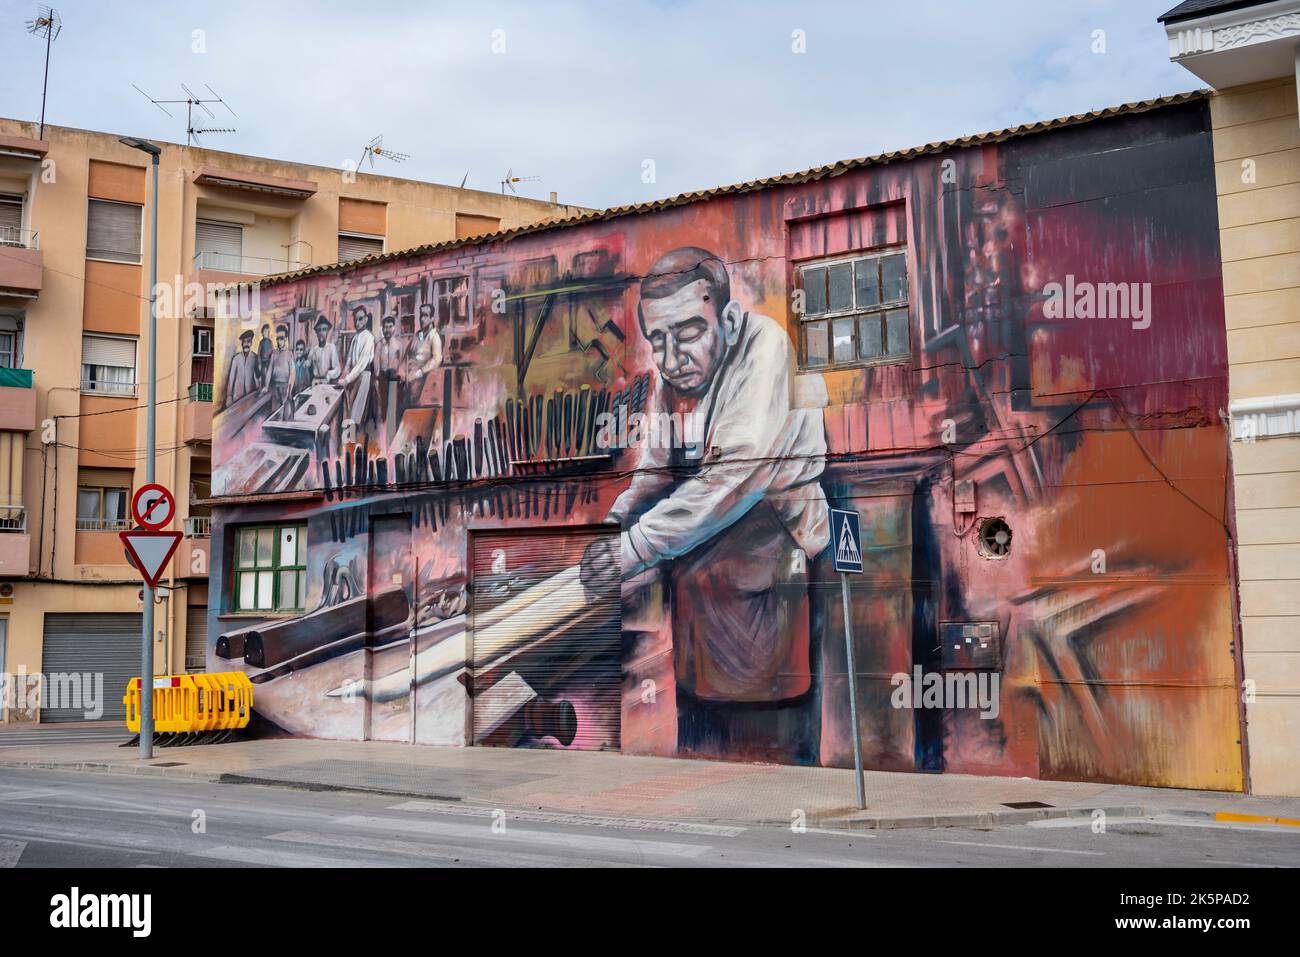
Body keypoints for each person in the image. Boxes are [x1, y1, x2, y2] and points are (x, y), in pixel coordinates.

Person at [581, 246, 829, 759]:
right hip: (700, 608)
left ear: (729, 320)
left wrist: (630, 550)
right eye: (658, 342)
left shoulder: (766, 347)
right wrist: (609, 533)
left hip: (773, 582)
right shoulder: (672, 380)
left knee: (769, 744)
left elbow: (735, 477)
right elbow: (652, 476)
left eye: (689, 333)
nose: (671, 360)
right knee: (700, 737)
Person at [338, 306, 377, 430]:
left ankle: (356, 442)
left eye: (360, 319)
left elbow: (361, 364)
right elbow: (349, 360)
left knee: (357, 414)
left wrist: (347, 379)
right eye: (355, 320)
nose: (357, 323)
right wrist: (343, 375)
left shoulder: (369, 337)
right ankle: (348, 441)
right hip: (353, 377)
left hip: (363, 377)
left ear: (366, 319)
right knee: (348, 412)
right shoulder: (355, 338)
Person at [404, 302, 444, 407]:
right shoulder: (418, 335)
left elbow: (437, 359)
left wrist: (419, 373)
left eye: (425, 316)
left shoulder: (434, 336)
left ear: (432, 318)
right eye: (421, 315)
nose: (422, 319)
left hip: (423, 380)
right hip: (408, 379)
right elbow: (407, 355)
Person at [373, 313, 405, 426]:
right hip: (382, 377)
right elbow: (376, 363)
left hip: (395, 378)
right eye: (385, 327)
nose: (387, 330)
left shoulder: (398, 345)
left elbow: (401, 362)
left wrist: (401, 376)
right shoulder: (378, 345)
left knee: (394, 405)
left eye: (390, 327)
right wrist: (376, 379)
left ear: (394, 327)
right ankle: (384, 426)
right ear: (382, 328)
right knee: (383, 404)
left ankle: (393, 427)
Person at [264, 323, 296, 419]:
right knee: (276, 414)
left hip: (286, 387)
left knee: (287, 415)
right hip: (275, 388)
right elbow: (269, 370)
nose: (279, 341)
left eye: (281, 338)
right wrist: (266, 386)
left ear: (285, 339)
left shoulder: (289, 354)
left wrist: (289, 390)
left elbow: (292, 373)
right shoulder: (274, 354)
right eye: (277, 338)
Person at [224, 328, 259, 407]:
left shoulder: (255, 357)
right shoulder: (236, 359)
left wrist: (257, 394)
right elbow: (231, 379)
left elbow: (257, 379)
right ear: (241, 344)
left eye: (248, 342)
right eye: (244, 342)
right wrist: (229, 396)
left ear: (251, 343)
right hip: (237, 397)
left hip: (250, 397)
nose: (246, 344)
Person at [308, 315, 340, 386]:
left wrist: (328, 374)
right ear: (316, 333)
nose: (321, 333)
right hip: (315, 382)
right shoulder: (313, 349)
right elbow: (308, 363)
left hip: (327, 382)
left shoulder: (331, 347)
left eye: (324, 329)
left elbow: (337, 369)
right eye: (319, 330)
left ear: (327, 331)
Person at [255, 323, 273, 388]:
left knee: (268, 376)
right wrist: (259, 363)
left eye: (267, 332)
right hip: (262, 363)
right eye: (264, 331)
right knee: (263, 376)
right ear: (262, 333)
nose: (265, 333)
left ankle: (267, 387)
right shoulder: (261, 342)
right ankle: (262, 388)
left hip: (269, 363)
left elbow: (272, 353)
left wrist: (271, 362)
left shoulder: (270, 342)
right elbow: (259, 354)